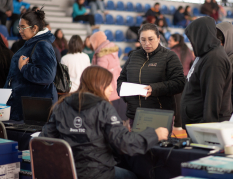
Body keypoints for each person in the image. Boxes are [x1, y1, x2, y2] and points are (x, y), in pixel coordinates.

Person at [39, 66, 169, 179]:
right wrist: (155, 134)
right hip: (97, 173)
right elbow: (125, 143)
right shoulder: (103, 107)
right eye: (108, 85)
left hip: (66, 172)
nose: (112, 89)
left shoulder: (62, 105)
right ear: (99, 85)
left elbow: (44, 139)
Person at [117, 23, 185, 128]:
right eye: (143, 40)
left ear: (158, 38)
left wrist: (154, 89)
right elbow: (121, 79)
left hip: (159, 115)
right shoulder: (133, 56)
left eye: (150, 39)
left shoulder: (170, 57)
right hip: (135, 115)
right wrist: (126, 96)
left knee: (159, 144)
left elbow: (179, 83)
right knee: (136, 144)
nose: (147, 43)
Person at [3, 9, 58, 121]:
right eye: (19, 27)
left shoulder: (42, 45)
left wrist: (24, 68)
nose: (20, 31)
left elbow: (47, 75)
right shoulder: (32, 43)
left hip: (31, 110)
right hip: (24, 108)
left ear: (35, 28)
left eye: (23, 27)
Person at [180, 17, 232, 129]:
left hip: (204, 128)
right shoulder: (204, 55)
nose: (191, 42)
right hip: (196, 125)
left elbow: (212, 99)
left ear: (200, 36)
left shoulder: (214, 59)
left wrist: (207, 131)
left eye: (192, 39)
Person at [90, 31, 126, 121]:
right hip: (118, 90)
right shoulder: (111, 50)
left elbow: (100, 76)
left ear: (96, 41)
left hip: (108, 93)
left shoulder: (102, 54)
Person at [168, 34, 195, 129]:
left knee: (176, 102)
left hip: (175, 79)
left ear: (176, 42)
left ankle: (177, 124)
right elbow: (193, 63)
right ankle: (181, 123)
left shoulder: (172, 52)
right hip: (186, 78)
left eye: (170, 40)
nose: (169, 42)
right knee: (183, 102)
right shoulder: (188, 50)